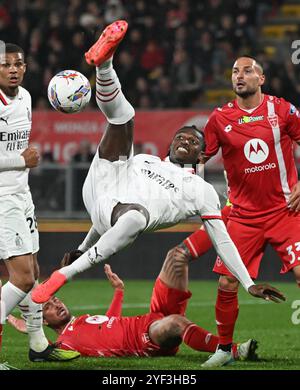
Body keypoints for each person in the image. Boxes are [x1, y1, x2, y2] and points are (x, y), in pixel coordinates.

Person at [32, 21, 284, 307]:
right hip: (102, 187)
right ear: (169, 144)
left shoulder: (201, 191)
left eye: (193, 141)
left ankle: (63, 275)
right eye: (181, 136)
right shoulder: (144, 160)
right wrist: (83, 246)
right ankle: (104, 63)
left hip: (122, 215)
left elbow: (222, 240)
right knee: (124, 118)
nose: (186, 141)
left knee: (135, 215)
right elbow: (105, 207)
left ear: (202, 154)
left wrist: (248, 283)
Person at [185, 55, 300, 367]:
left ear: (261, 79)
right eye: (235, 71)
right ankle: (224, 349)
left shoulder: (283, 109)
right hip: (242, 217)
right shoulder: (220, 118)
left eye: (247, 71)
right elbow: (198, 159)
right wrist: (186, 170)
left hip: (285, 210)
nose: (240, 76)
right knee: (226, 284)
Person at [10, 246, 259, 362]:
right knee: (176, 323)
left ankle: (221, 222)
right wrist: (30, 327)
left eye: (56, 299)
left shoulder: (80, 321)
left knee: (175, 256)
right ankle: (232, 350)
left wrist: (118, 292)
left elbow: (111, 323)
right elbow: (42, 347)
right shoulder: (63, 345)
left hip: (152, 317)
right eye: (50, 307)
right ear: (42, 320)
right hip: (146, 339)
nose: (57, 304)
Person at [0, 42, 80, 362]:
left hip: (22, 194)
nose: (13, 69)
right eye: (6, 65)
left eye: (18, 64)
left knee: (32, 273)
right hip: (2, 197)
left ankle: (38, 345)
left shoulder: (28, 99)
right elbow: (19, 157)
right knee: (20, 277)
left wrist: (21, 164)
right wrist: (20, 160)